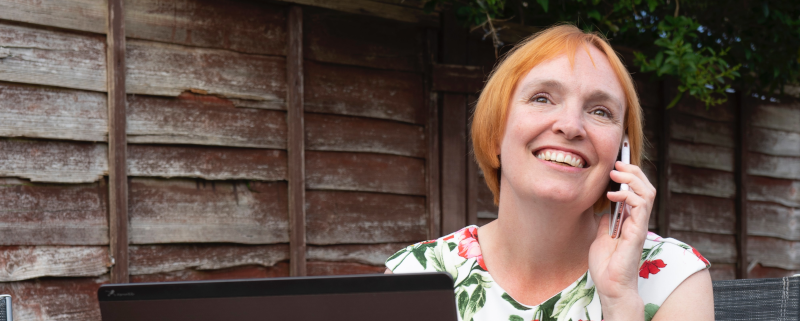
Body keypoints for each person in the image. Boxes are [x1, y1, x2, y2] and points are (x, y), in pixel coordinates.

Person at [384, 24, 714, 321]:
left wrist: (620, 301)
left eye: (600, 111)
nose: (571, 126)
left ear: (621, 154)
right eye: (542, 98)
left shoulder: (671, 276)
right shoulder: (416, 275)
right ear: (496, 131)